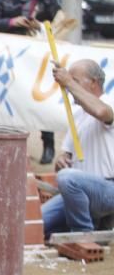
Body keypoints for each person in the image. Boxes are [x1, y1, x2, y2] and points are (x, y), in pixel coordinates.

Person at [0, 0, 59, 163]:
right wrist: (13, 21)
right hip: (13, 56)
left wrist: (39, 25)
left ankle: (48, 143)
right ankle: (12, 144)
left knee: (41, 99)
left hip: (38, 56)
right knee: (13, 99)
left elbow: (58, 22)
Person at [42, 59, 114, 237]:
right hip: (79, 191)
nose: (69, 87)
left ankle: (83, 235)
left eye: (76, 81)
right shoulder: (77, 115)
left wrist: (67, 81)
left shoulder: (108, 102)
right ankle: (79, 228)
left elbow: (102, 113)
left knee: (67, 178)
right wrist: (61, 160)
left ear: (94, 83)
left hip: (107, 189)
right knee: (38, 221)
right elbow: (65, 156)